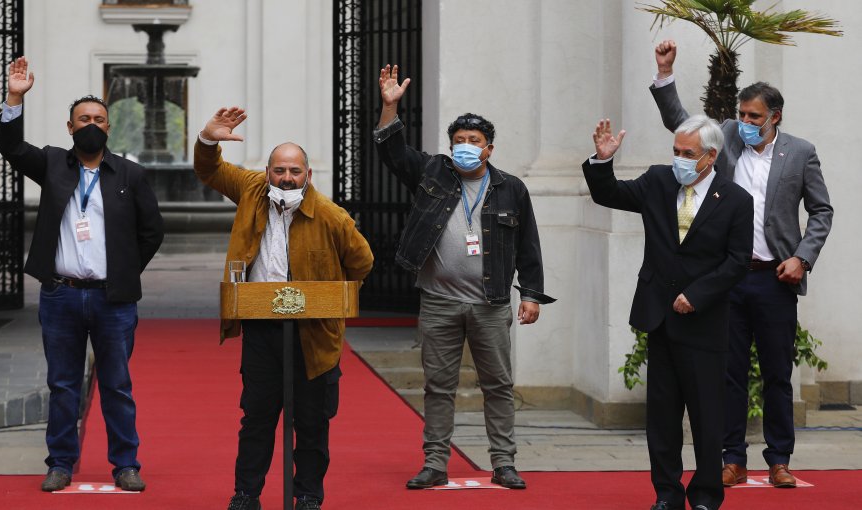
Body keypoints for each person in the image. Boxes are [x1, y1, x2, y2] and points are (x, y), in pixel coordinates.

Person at [651, 40, 834, 488]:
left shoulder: (801, 152)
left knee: (776, 373)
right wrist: (664, 74)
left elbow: (822, 211)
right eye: (743, 114)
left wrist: (801, 258)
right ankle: (732, 458)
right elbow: (683, 123)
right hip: (727, 279)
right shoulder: (727, 137)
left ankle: (779, 460)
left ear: (776, 117)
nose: (747, 122)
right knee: (728, 373)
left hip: (774, 279)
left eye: (756, 116)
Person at [373, 65, 555, 490]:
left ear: (489, 149)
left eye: (474, 142)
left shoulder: (511, 189)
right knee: (438, 385)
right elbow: (391, 151)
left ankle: (504, 462)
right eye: (459, 141)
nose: (465, 148)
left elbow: (528, 245)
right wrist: (389, 106)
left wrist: (530, 295)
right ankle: (435, 462)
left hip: (491, 303)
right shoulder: (433, 172)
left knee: (499, 385)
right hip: (438, 300)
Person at [0, 57, 164, 492]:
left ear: (109, 128)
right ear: (70, 128)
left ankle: (126, 463)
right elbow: (11, 148)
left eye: (99, 119)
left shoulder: (131, 173)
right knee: (63, 385)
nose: (91, 125)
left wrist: (124, 272)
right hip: (62, 296)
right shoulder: (53, 164)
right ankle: (61, 463)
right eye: (83, 119)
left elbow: (152, 231)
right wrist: (14, 97)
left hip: (113, 300)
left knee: (117, 386)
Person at [193, 107, 374, 510]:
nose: (286, 178)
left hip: (314, 335)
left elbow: (362, 261)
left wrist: (329, 294)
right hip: (263, 329)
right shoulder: (252, 190)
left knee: (311, 422)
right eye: (279, 170)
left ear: (308, 175)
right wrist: (208, 138)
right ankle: (246, 495)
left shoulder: (331, 216)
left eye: (294, 171)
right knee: (256, 418)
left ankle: (308, 496)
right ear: (268, 171)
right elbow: (209, 170)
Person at [583, 116, 753, 510]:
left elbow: (737, 261)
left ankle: (707, 495)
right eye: (675, 151)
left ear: (709, 157)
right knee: (661, 420)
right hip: (660, 319)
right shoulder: (659, 181)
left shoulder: (736, 200)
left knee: (707, 418)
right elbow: (608, 194)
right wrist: (602, 160)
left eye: (687, 154)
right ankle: (667, 495)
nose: (678, 159)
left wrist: (698, 294)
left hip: (705, 324)